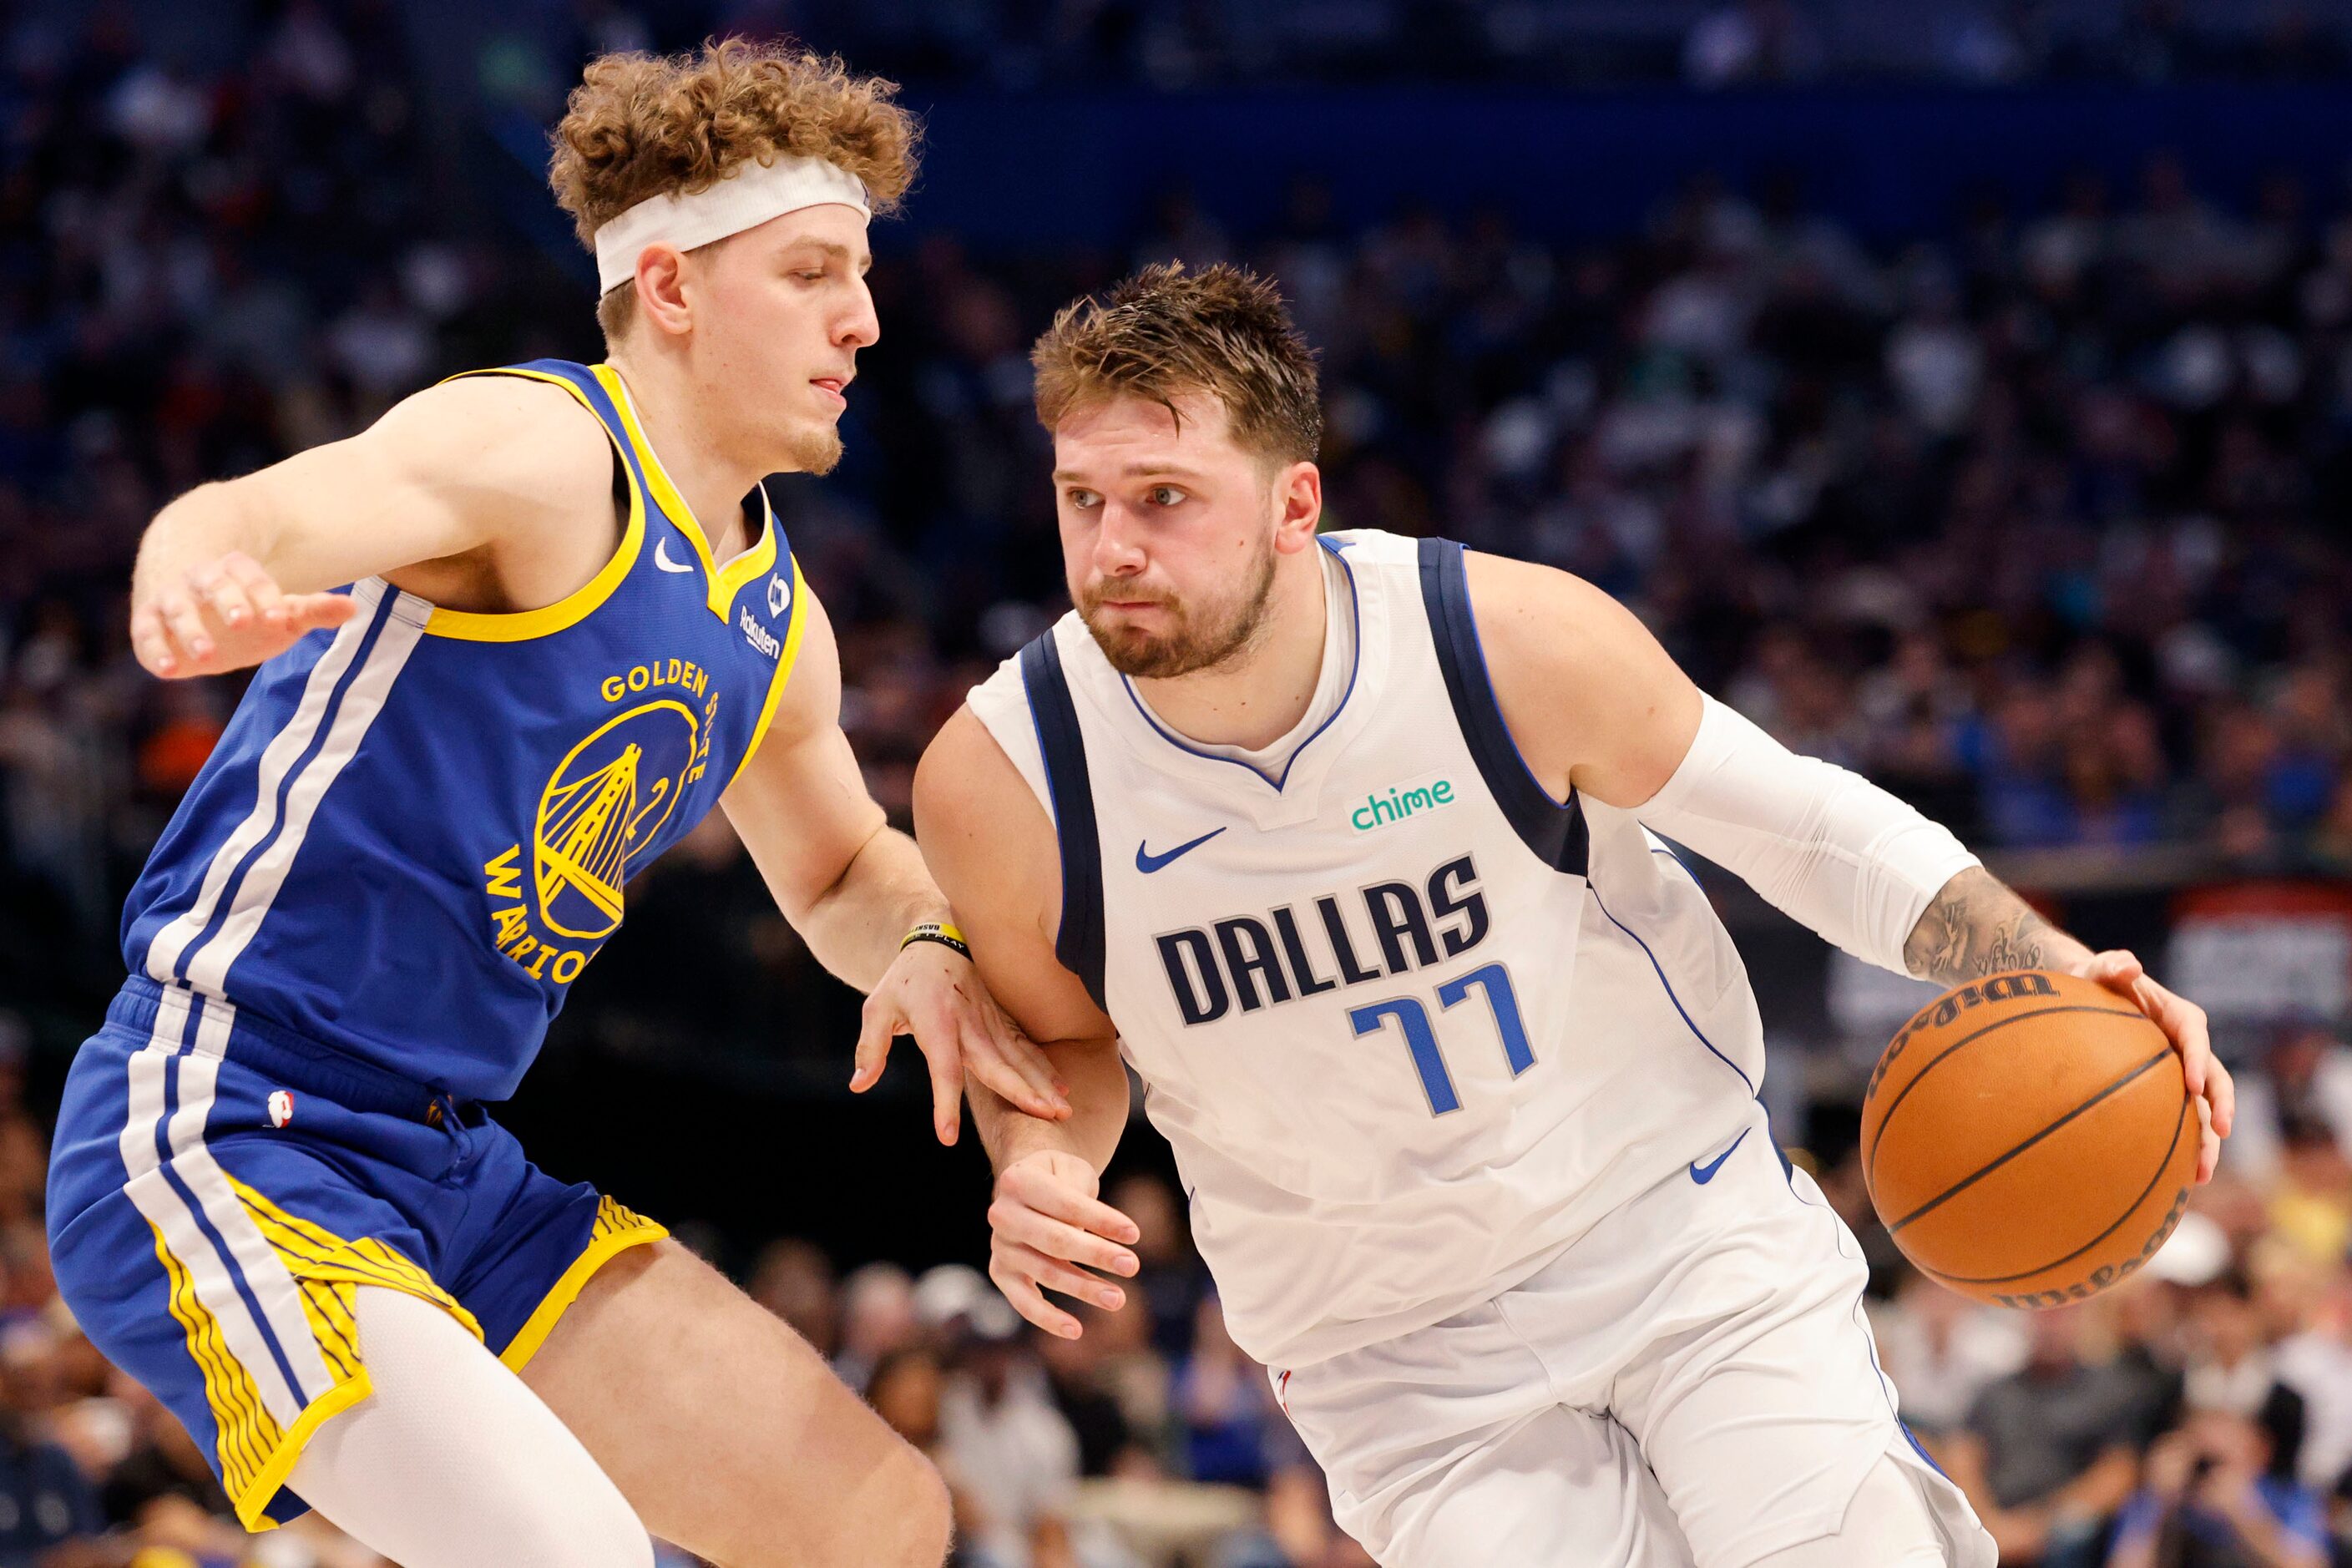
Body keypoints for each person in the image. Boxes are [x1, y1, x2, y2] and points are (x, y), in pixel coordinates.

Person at [913, 262, 2237, 1567]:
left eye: (1163, 499)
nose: (1113, 550)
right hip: (1392, 1357)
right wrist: (1041, 1165)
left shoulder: (1497, 640)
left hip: (1674, 1229)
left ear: (1291, 504)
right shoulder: (1006, 780)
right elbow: (1067, 1043)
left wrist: (2055, 964)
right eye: (1081, 501)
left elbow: (1806, 830)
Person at [44, 40, 1067, 1568]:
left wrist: (920, 937)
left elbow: (842, 859)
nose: (862, 319)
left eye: (857, 275)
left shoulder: (777, 614)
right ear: (669, 288)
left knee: (873, 1518)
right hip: (224, 1120)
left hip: (451, 1160)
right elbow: (263, 510)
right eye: (809, 273)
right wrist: (196, 575)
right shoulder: (537, 452)